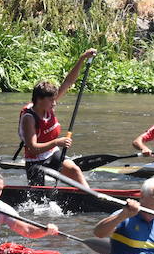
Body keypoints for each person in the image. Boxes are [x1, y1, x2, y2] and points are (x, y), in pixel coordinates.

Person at [19, 48, 98, 188]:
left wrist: (82, 58)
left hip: (51, 154)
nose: (54, 103)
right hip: (35, 160)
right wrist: (57, 142)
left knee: (74, 170)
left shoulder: (48, 106)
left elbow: (68, 81)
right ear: (39, 100)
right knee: (37, 198)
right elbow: (33, 148)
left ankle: (91, 195)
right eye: (51, 101)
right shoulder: (29, 118)